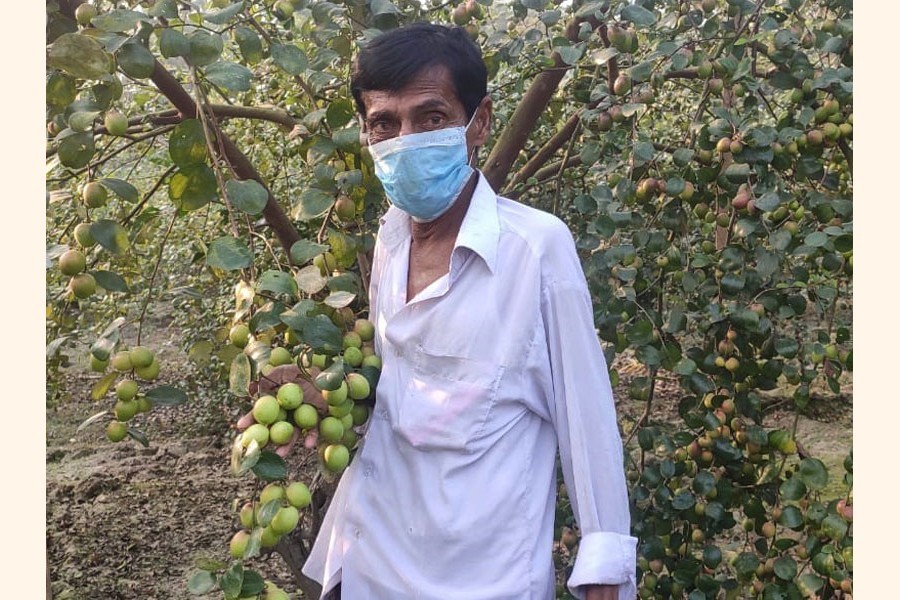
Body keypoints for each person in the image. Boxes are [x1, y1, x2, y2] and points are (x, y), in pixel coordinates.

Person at [301, 22, 637, 600]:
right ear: (365, 132)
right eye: (385, 123)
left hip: (479, 579)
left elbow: (587, 419)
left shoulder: (534, 249)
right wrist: (319, 397)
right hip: (370, 562)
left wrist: (603, 568)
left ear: (477, 123)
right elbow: (396, 393)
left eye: (430, 118)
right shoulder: (390, 239)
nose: (404, 139)